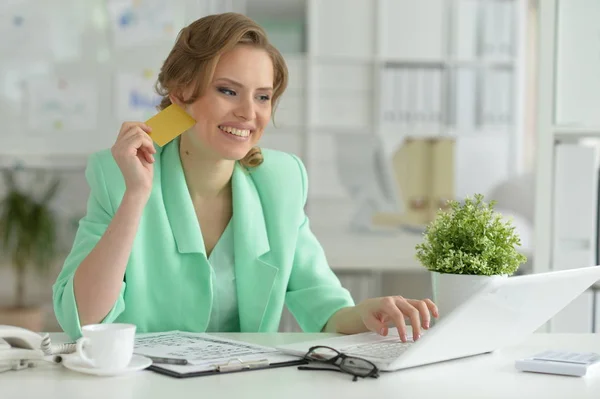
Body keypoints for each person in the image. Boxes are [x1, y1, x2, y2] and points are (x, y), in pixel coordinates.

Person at [52, 12, 438, 341]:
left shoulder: (280, 179)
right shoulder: (118, 173)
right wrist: (136, 195)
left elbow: (324, 306)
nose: (248, 113)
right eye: (228, 91)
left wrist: (368, 313)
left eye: (263, 97)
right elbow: (83, 322)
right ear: (182, 93)